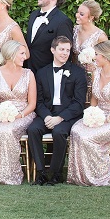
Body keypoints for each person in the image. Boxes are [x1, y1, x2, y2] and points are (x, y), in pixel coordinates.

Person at [67, 40, 110, 186]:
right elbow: (94, 99)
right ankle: (80, 176)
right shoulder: (96, 73)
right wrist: (91, 114)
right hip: (98, 117)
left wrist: (108, 119)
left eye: (97, 54)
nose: (94, 57)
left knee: (88, 137)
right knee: (76, 130)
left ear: (106, 57)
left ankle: (99, 176)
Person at [27, 36, 86, 186]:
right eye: (61, 49)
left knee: (59, 132)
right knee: (33, 129)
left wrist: (60, 118)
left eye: (67, 50)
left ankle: (56, 173)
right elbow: (38, 101)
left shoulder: (78, 73)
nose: (65, 53)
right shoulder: (41, 73)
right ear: (53, 50)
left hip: (68, 115)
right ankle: (41, 172)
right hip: (47, 113)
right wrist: (47, 116)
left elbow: (78, 103)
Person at [0, 40, 36, 185]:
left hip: (24, 114)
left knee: (7, 131)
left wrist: (19, 115)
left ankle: (10, 173)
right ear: (11, 54)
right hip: (2, 116)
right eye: (22, 54)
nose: (25, 57)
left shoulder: (28, 74)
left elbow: (32, 104)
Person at [25, 0, 73, 74]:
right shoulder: (34, 15)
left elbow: (65, 52)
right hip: (28, 70)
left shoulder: (62, 21)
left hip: (47, 74)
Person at [72, 0, 108, 102]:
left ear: (91, 17)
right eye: (78, 12)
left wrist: (93, 68)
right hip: (75, 77)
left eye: (81, 14)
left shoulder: (100, 36)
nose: (77, 15)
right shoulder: (74, 30)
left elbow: (106, 61)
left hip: (92, 78)